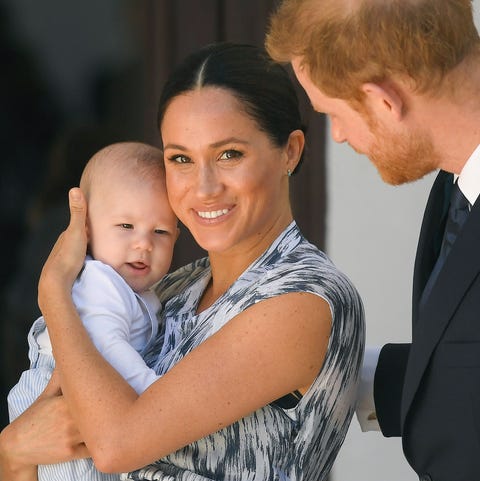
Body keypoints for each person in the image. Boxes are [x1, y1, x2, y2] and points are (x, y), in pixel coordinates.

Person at [0, 42, 365, 481]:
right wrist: (12, 448)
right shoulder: (170, 290)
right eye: (181, 159)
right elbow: (41, 453)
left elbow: (115, 446)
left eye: (229, 154)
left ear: (290, 150)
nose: (204, 187)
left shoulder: (303, 298)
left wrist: (54, 293)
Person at [266, 0, 480, 480]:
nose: (338, 136)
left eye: (332, 114)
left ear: (384, 101)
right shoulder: (456, 182)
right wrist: (331, 370)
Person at [6, 141, 179, 481]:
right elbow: (108, 347)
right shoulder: (101, 283)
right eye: (126, 226)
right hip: (59, 400)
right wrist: (156, 397)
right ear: (85, 230)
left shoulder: (141, 292)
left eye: (160, 231)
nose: (144, 243)